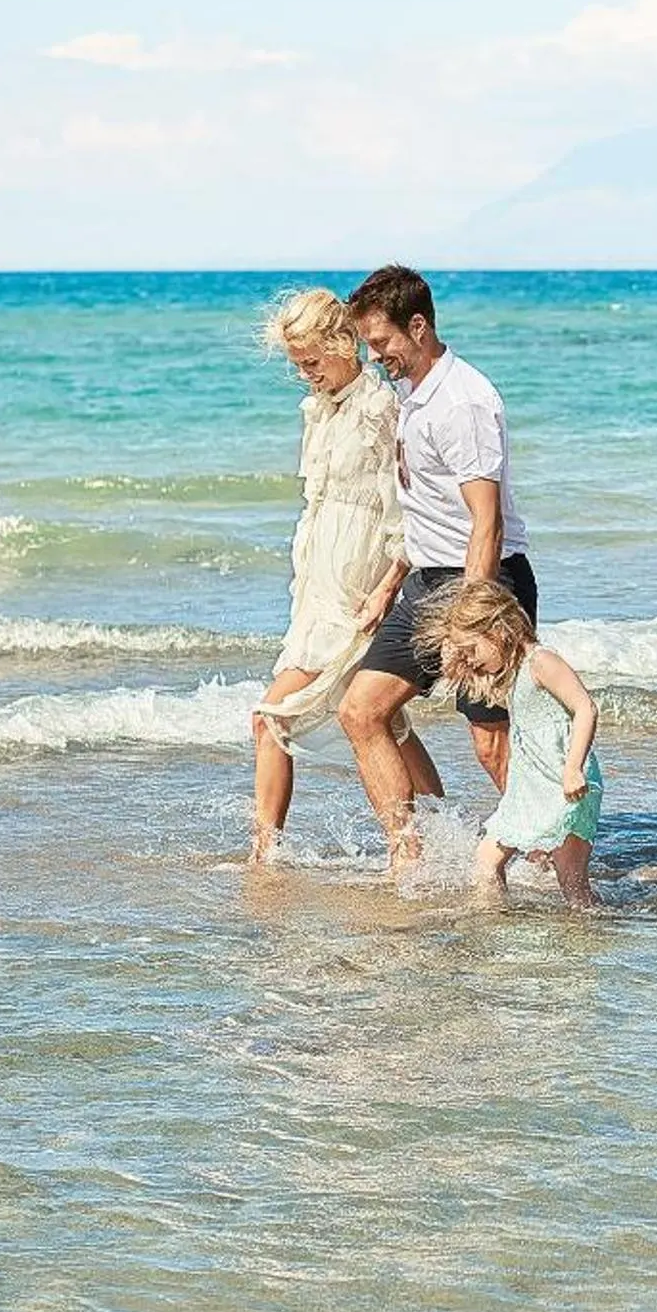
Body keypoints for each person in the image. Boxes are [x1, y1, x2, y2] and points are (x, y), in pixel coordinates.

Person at [335, 265, 541, 875]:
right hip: (429, 581)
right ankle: (410, 859)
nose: (377, 359)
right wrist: (389, 586)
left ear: (418, 326)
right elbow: (424, 508)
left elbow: (487, 522)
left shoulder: (464, 402)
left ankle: (548, 855)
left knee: (492, 743)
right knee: (362, 710)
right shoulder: (414, 393)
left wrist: (472, 621)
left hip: (485, 584)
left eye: (382, 344)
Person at [243, 288, 417, 863]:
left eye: (312, 363)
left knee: (271, 719)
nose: (306, 376)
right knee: (386, 728)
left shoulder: (379, 409)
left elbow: (403, 514)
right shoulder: (323, 410)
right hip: (316, 593)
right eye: (298, 367)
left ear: (345, 344)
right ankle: (440, 837)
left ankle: (264, 854)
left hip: (356, 594)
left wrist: (386, 590)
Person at [420, 577, 602, 909]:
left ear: (499, 630)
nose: (471, 660)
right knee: (487, 861)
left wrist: (574, 768)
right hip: (529, 788)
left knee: (571, 879)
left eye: (472, 650)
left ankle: (595, 931)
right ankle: (495, 922)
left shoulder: (541, 662)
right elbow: (460, 675)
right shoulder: (510, 669)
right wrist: (459, 657)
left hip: (563, 784)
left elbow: (585, 708)